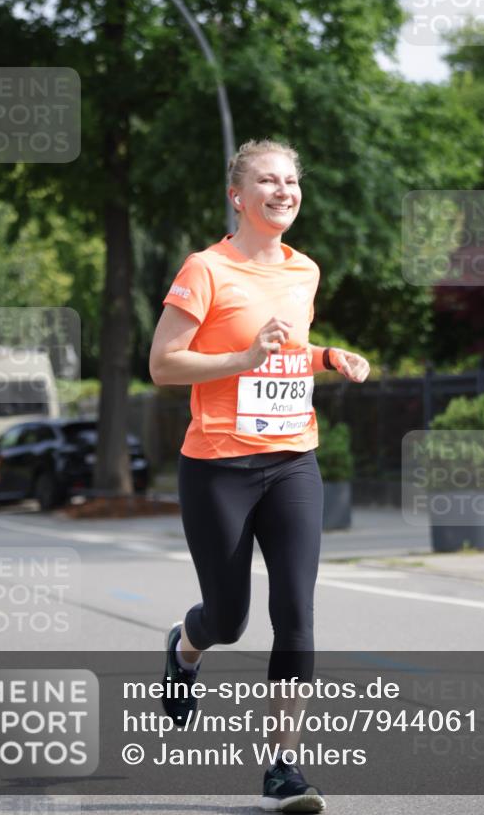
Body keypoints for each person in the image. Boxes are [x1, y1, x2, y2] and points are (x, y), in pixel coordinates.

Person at [149, 139, 370, 813]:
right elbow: (162, 365)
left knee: (296, 614)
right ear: (237, 196)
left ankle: (282, 767)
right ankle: (185, 648)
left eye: (292, 181)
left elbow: (286, 353)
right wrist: (242, 356)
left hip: (292, 460)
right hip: (218, 466)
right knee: (229, 617)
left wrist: (326, 355)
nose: (283, 191)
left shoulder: (305, 270)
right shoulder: (205, 270)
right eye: (267, 181)